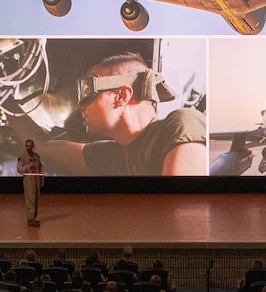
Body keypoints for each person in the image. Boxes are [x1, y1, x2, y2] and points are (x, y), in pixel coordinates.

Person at [36, 53, 207, 176]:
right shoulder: (115, 156)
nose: (79, 106)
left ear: (121, 96)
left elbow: (181, 215)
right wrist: (9, 99)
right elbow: (42, 147)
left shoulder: (182, 124)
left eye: (87, 91)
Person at [18, 138, 45, 227]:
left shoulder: (37, 156)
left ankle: (34, 217)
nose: (28, 148)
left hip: (36, 178)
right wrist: (27, 167)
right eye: (27, 146)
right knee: (30, 198)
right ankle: (30, 219)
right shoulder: (23, 157)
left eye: (30, 146)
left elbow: (40, 167)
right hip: (28, 179)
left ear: (33, 146)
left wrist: (41, 179)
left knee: (36, 198)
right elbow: (19, 169)